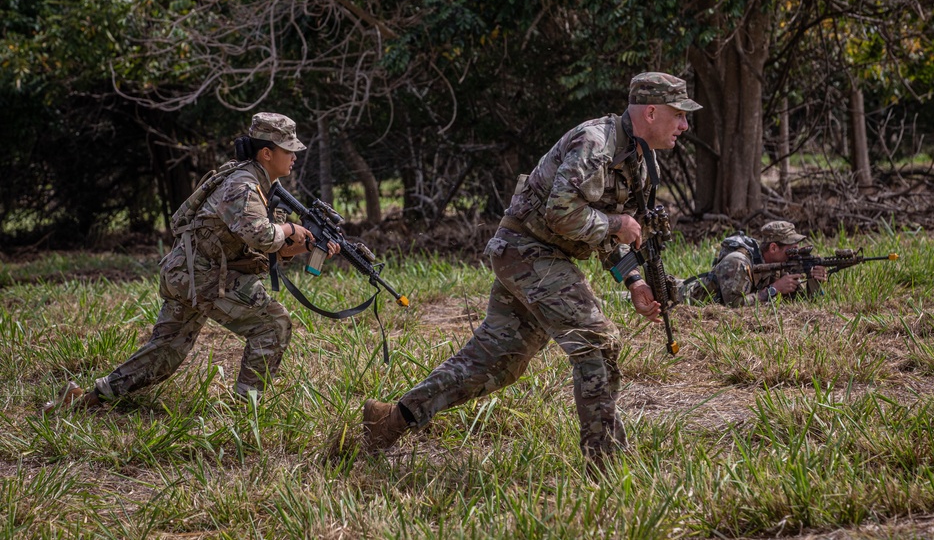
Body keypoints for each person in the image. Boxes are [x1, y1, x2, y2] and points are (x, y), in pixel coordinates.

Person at [361, 71, 701, 467]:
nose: (685, 125)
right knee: (596, 340)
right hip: (528, 250)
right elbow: (563, 213)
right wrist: (617, 225)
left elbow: (610, 232)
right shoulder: (596, 143)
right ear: (652, 112)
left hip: (538, 256)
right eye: (679, 114)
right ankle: (607, 463)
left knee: (496, 361)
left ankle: (390, 420)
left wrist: (634, 280)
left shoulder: (640, 160)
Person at [42, 113, 338, 413]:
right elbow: (260, 235)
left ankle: (85, 398)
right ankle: (247, 411)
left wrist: (305, 246)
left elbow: (265, 248)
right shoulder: (243, 186)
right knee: (273, 324)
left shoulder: (259, 186)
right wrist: (289, 230)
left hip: (192, 274)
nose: (294, 157)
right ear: (266, 153)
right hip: (203, 277)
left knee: (164, 355)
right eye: (288, 150)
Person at [682, 220, 828, 307]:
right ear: (773, 248)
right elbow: (734, 305)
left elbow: (801, 302)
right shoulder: (738, 262)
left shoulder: (781, 263)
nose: (796, 253)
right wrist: (774, 290)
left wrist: (814, 281)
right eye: (791, 249)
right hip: (683, 298)